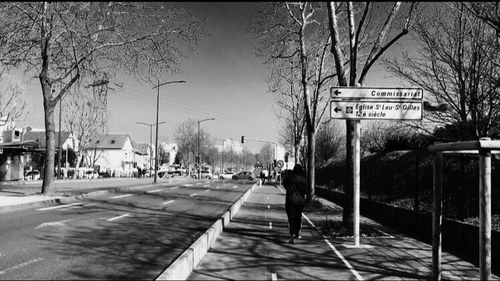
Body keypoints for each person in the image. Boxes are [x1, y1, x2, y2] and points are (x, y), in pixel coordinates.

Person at [282, 164, 310, 244]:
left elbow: (285, 185)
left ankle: (292, 234)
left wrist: (289, 190)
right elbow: (306, 191)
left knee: (291, 218)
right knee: (298, 217)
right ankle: (297, 232)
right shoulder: (303, 180)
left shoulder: (289, 178)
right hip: (300, 202)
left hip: (290, 201)